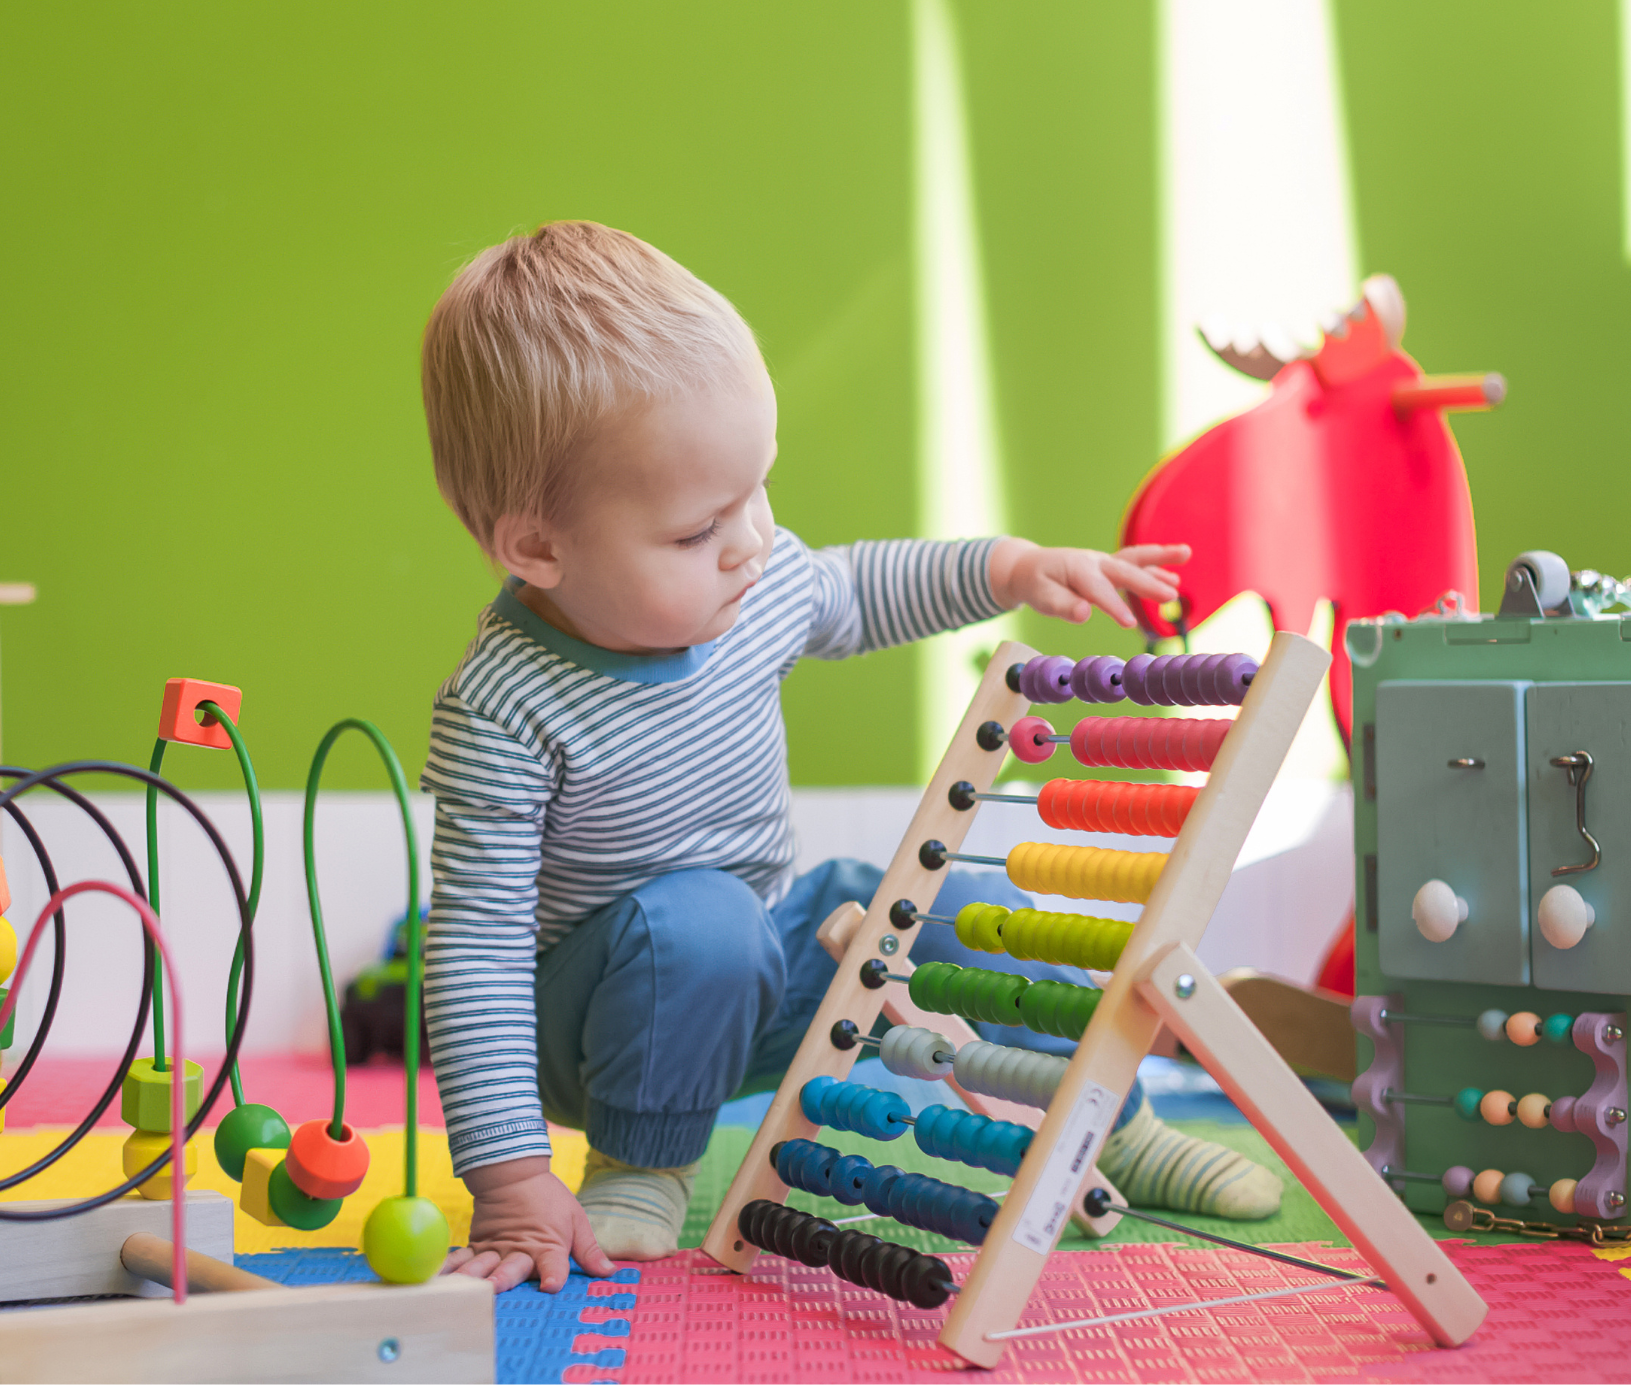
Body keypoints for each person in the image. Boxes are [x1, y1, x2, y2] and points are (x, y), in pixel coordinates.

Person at [419, 221, 1280, 1294]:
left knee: (963, 909)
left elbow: (859, 586)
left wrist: (1009, 567)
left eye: (758, 491)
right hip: (593, 1022)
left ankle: (1115, 1119)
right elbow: (474, 951)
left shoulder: (754, 583)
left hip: (761, 960)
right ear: (538, 547)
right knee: (700, 918)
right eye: (698, 528)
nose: (753, 540)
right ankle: (639, 1165)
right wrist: (505, 1176)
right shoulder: (505, 707)